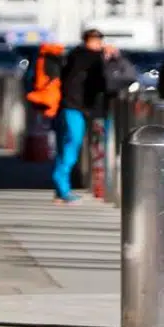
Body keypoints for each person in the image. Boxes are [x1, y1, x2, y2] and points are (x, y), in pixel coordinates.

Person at [53, 28, 115, 203]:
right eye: (96, 40)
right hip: (75, 106)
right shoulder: (87, 57)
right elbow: (103, 80)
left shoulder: (75, 55)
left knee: (67, 144)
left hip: (73, 105)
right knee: (72, 143)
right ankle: (62, 186)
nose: (98, 44)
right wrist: (106, 56)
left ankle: (61, 189)